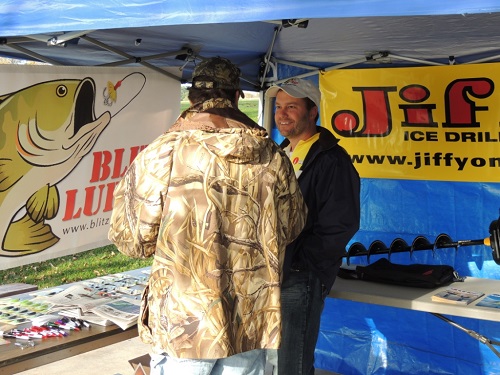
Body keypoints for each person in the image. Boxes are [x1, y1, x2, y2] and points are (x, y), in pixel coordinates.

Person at [108, 57, 307, 375]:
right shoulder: (272, 155)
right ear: (237, 96)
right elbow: (292, 225)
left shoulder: (164, 152)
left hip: (186, 322)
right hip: (249, 316)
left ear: (192, 97)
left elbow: (132, 239)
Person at [265, 78, 361, 375]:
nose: (282, 114)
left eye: (291, 107)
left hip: (299, 276)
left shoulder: (331, 159)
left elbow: (341, 224)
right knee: (270, 361)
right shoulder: (279, 153)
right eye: (279, 107)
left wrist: (302, 265)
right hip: (269, 272)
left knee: (291, 364)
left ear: (312, 112)